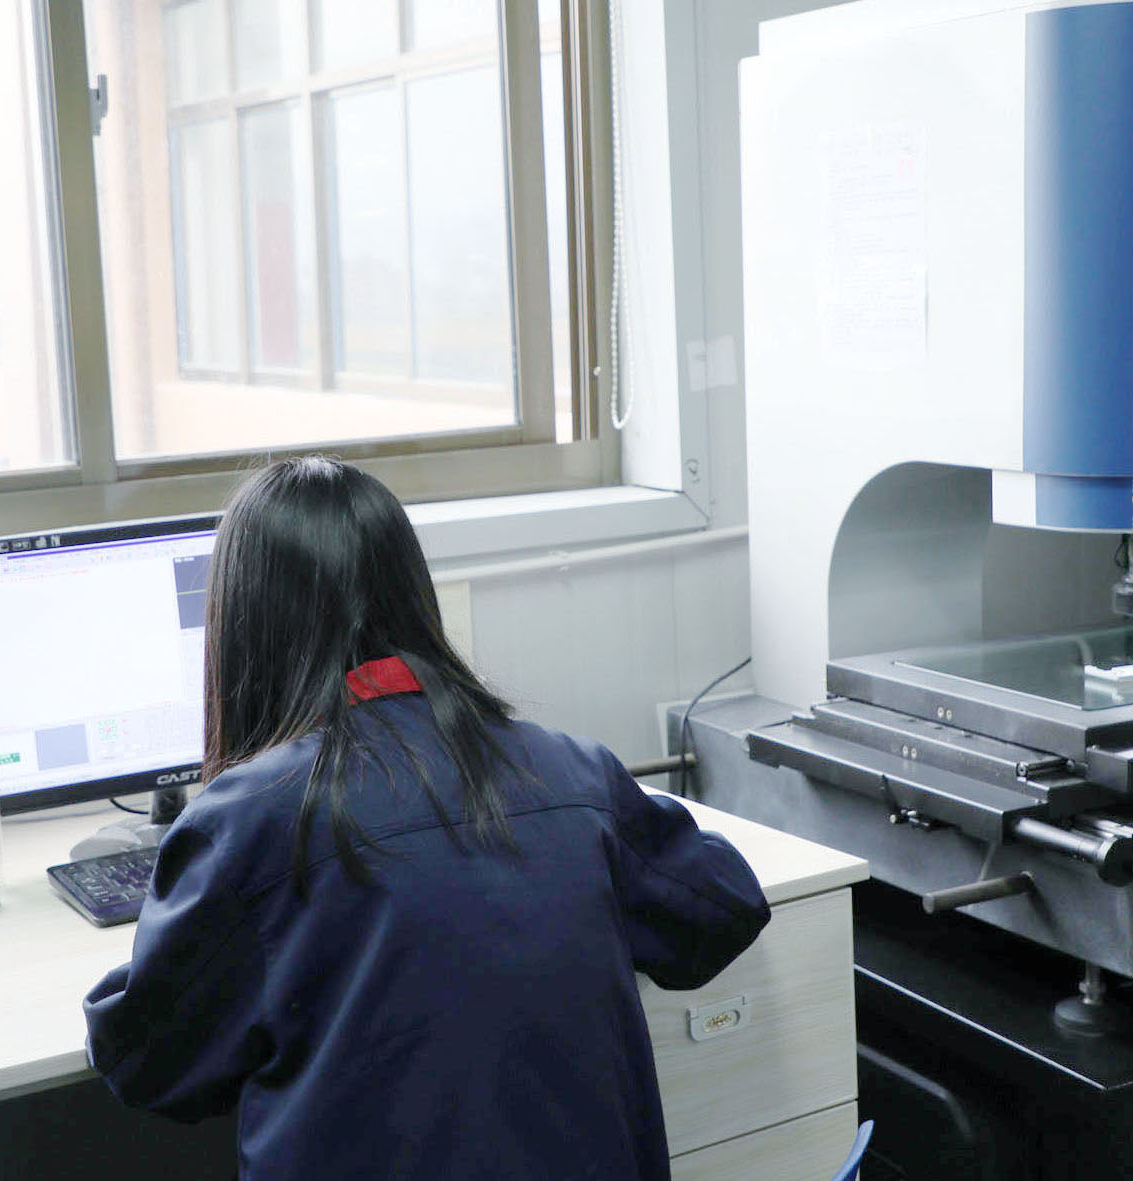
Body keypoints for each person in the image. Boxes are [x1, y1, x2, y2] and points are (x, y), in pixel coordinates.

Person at [83, 456, 771, 1179]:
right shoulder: (572, 772)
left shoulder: (244, 825)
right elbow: (724, 907)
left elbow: (147, 1062)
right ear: (412, 593)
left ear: (244, 629)